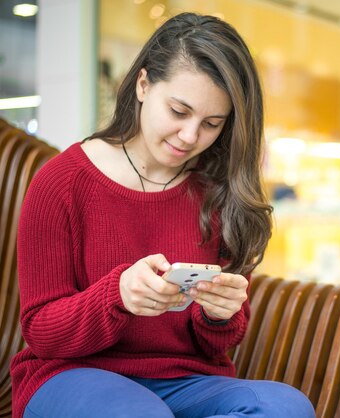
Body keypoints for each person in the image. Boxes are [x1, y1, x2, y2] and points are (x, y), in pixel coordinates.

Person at [10, 12, 316, 418]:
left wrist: (220, 314)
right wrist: (116, 295)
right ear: (142, 85)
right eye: (178, 111)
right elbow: (41, 330)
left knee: (286, 408)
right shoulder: (61, 182)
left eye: (211, 124)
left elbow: (218, 343)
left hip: (184, 383)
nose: (190, 137)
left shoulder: (219, 193)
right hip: (71, 375)